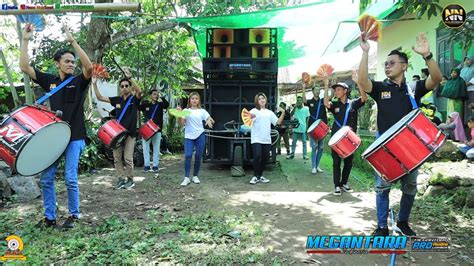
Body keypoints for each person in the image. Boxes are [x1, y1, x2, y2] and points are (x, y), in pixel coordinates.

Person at [358, 32, 443, 236]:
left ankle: (403, 222)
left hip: (410, 147)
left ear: (404, 66)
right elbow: (362, 80)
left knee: (410, 187)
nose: (387, 66)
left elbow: (437, 78)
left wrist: (428, 55)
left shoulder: (414, 88)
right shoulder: (380, 88)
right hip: (386, 148)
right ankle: (381, 227)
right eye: (385, 63)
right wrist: (365, 52)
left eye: (392, 63)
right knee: (382, 188)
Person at [19, 24, 93, 228]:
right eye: (67, 61)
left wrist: (73, 41)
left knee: (70, 178)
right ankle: (50, 217)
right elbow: (25, 67)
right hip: (55, 138)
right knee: (46, 178)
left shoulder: (79, 81)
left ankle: (74, 215)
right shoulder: (50, 81)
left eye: (72, 61)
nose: (71, 64)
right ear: (57, 64)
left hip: (75, 137)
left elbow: (89, 68)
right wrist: (26, 40)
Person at [93, 70, 142, 190]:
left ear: (130, 88)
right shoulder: (117, 100)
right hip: (118, 134)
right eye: (122, 86)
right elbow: (99, 97)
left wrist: (130, 78)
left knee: (128, 158)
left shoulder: (134, 99)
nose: (124, 88)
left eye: (126, 86)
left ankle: (130, 179)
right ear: (120, 88)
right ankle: (121, 178)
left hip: (130, 133)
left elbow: (139, 91)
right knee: (117, 158)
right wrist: (94, 83)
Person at [323, 73, 367, 196]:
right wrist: (326, 85)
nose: (336, 92)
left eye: (338, 90)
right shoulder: (335, 105)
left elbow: (364, 98)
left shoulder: (353, 103)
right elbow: (326, 102)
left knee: (348, 162)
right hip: (336, 139)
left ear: (345, 91)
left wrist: (358, 82)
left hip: (349, 139)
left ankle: (344, 183)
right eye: (335, 90)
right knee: (336, 162)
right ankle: (337, 185)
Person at [177, 92, 215, 186]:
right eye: (192, 98)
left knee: (198, 156)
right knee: (188, 155)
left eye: (196, 98)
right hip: (189, 136)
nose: (194, 100)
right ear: (189, 100)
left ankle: (195, 176)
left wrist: (209, 121)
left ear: (199, 100)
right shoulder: (185, 110)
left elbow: (211, 119)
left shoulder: (202, 111)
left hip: (200, 135)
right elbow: (181, 124)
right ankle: (186, 178)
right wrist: (179, 115)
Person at [249, 93, 286, 184]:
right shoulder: (254, 111)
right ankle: (255, 176)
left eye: (263, 98)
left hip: (266, 139)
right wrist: (249, 118)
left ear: (266, 100)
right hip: (256, 138)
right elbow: (247, 120)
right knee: (257, 156)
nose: (262, 100)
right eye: (259, 99)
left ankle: (260, 176)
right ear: (257, 101)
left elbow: (277, 123)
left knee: (265, 158)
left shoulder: (269, 113)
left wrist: (283, 112)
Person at [139, 88, 169, 174]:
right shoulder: (146, 105)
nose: (156, 96)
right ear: (150, 96)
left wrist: (162, 96)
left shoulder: (160, 105)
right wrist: (139, 96)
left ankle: (155, 166)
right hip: (147, 129)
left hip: (157, 129)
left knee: (156, 148)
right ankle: (147, 166)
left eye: (157, 94)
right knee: (145, 148)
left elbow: (166, 105)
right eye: (154, 94)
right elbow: (138, 107)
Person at [302, 82, 328, 174]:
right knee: (314, 146)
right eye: (315, 90)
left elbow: (331, 96)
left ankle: (317, 166)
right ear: (312, 91)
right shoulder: (310, 102)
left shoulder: (323, 101)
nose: (317, 91)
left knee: (320, 147)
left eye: (318, 90)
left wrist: (327, 84)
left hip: (322, 127)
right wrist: (303, 88)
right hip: (312, 128)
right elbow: (304, 101)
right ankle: (313, 167)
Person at [460, 55, 474, 124]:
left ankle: (471, 122)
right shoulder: (463, 69)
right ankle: (466, 122)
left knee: (470, 106)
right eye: (465, 60)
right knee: (464, 107)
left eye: (468, 59)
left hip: (471, 90)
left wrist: (466, 84)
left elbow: (473, 80)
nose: (466, 61)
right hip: (463, 91)